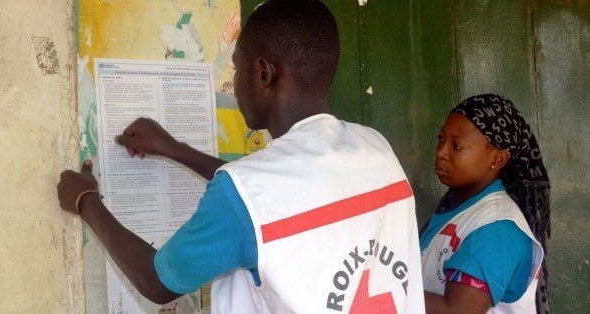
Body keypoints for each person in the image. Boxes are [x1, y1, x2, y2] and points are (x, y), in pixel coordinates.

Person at [58, 0, 424, 312]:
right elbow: (272, 200)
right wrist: (175, 150)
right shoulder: (376, 150)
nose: (233, 83)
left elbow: (157, 282)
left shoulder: (247, 194)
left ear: (263, 73)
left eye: (236, 67)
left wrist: (86, 200)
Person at [419, 94, 551, 313]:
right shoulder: (458, 207)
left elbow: (457, 311)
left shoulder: (497, 228)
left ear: (497, 159)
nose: (441, 152)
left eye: (457, 146)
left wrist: (386, 287)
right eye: (441, 139)